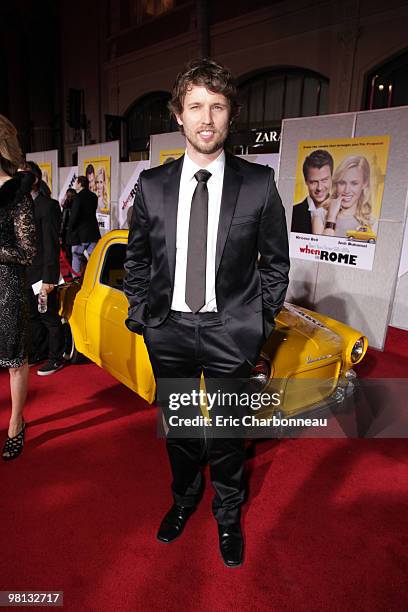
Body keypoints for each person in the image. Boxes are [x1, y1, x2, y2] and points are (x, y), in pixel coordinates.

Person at [124, 58, 290, 567]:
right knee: (179, 429)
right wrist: (144, 316)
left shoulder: (259, 183)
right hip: (168, 330)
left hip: (229, 332)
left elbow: (276, 266)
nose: (206, 118)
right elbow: (137, 260)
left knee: (226, 434)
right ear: (179, 115)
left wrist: (256, 326)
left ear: (230, 115)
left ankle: (228, 515)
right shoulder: (152, 185)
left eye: (217, 106)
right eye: (196, 106)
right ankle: (183, 500)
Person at [0, 115, 36, 460]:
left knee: (14, 362)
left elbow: (28, 253)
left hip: (7, 290)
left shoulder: (16, 195)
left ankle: (15, 422)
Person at [25, 161, 65, 376]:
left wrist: (49, 278)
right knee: (32, 316)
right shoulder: (20, 205)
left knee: (48, 317)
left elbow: (51, 244)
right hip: (26, 273)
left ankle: (55, 358)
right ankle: (38, 352)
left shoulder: (48, 206)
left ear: (35, 179)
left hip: (43, 276)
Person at [316, 155, 375, 237]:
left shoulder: (371, 222)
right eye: (342, 183)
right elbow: (321, 247)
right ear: (336, 184)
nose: (347, 190)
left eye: (354, 183)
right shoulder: (321, 214)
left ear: (364, 184)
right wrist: (331, 217)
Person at [291, 149, 333, 234]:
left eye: (324, 180)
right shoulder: (293, 213)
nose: (319, 188)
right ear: (306, 181)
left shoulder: (345, 212)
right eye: (313, 182)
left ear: (332, 178)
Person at [68, 175, 101, 275]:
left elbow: (74, 215)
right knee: (93, 259)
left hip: (80, 234)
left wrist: (70, 229)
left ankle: (76, 281)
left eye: (76, 182)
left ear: (80, 184)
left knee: (76, 256)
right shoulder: (94, 196)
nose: (75, 185)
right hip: (93, 232)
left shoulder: (78, 197)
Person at [60, 187, 76, 265]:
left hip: (67, 234)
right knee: (73, 253)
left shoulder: (66, 207)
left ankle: (71, 272)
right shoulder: (76, 205)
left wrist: (60, 233)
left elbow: (63, 221)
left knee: (68, 253)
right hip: (75, 233)